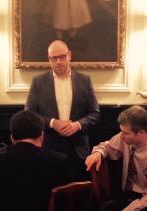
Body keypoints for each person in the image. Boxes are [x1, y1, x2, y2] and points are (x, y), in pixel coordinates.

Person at [25, 40, 100, 179]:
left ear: (69, 55)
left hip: (78, 149)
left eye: (62, 57)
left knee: (79, 189)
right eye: (54, 58)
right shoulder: (38, 82)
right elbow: (29, 114)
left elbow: (94, 113)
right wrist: (53, 123)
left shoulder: (85, 80)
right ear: (49, 59)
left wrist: (77, 125)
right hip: (49, 149)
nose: (58, 62)